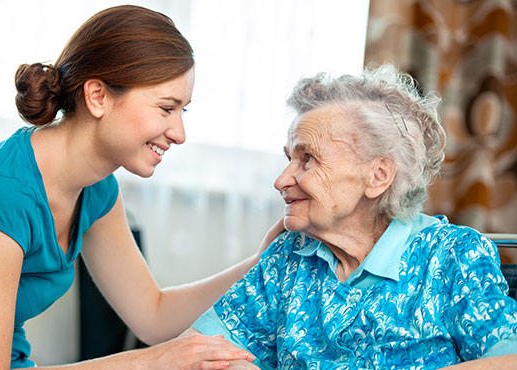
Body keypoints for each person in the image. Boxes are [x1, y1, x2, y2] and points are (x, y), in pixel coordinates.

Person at [0, 5, 284, 369]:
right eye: (165, 108)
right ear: (98, 97)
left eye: (182, 111)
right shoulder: (3, 194)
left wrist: (258, 265)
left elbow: (152, 315)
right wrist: (152, 361)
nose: (179, 133)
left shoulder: (96, 189)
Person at [186, 64, 517, 369]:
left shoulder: (450, 256)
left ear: (377, 177)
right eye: (289, 158)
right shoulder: (289, 256)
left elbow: (508, 358)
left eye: (308, 159)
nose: (281, 180)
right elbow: (198, 348)